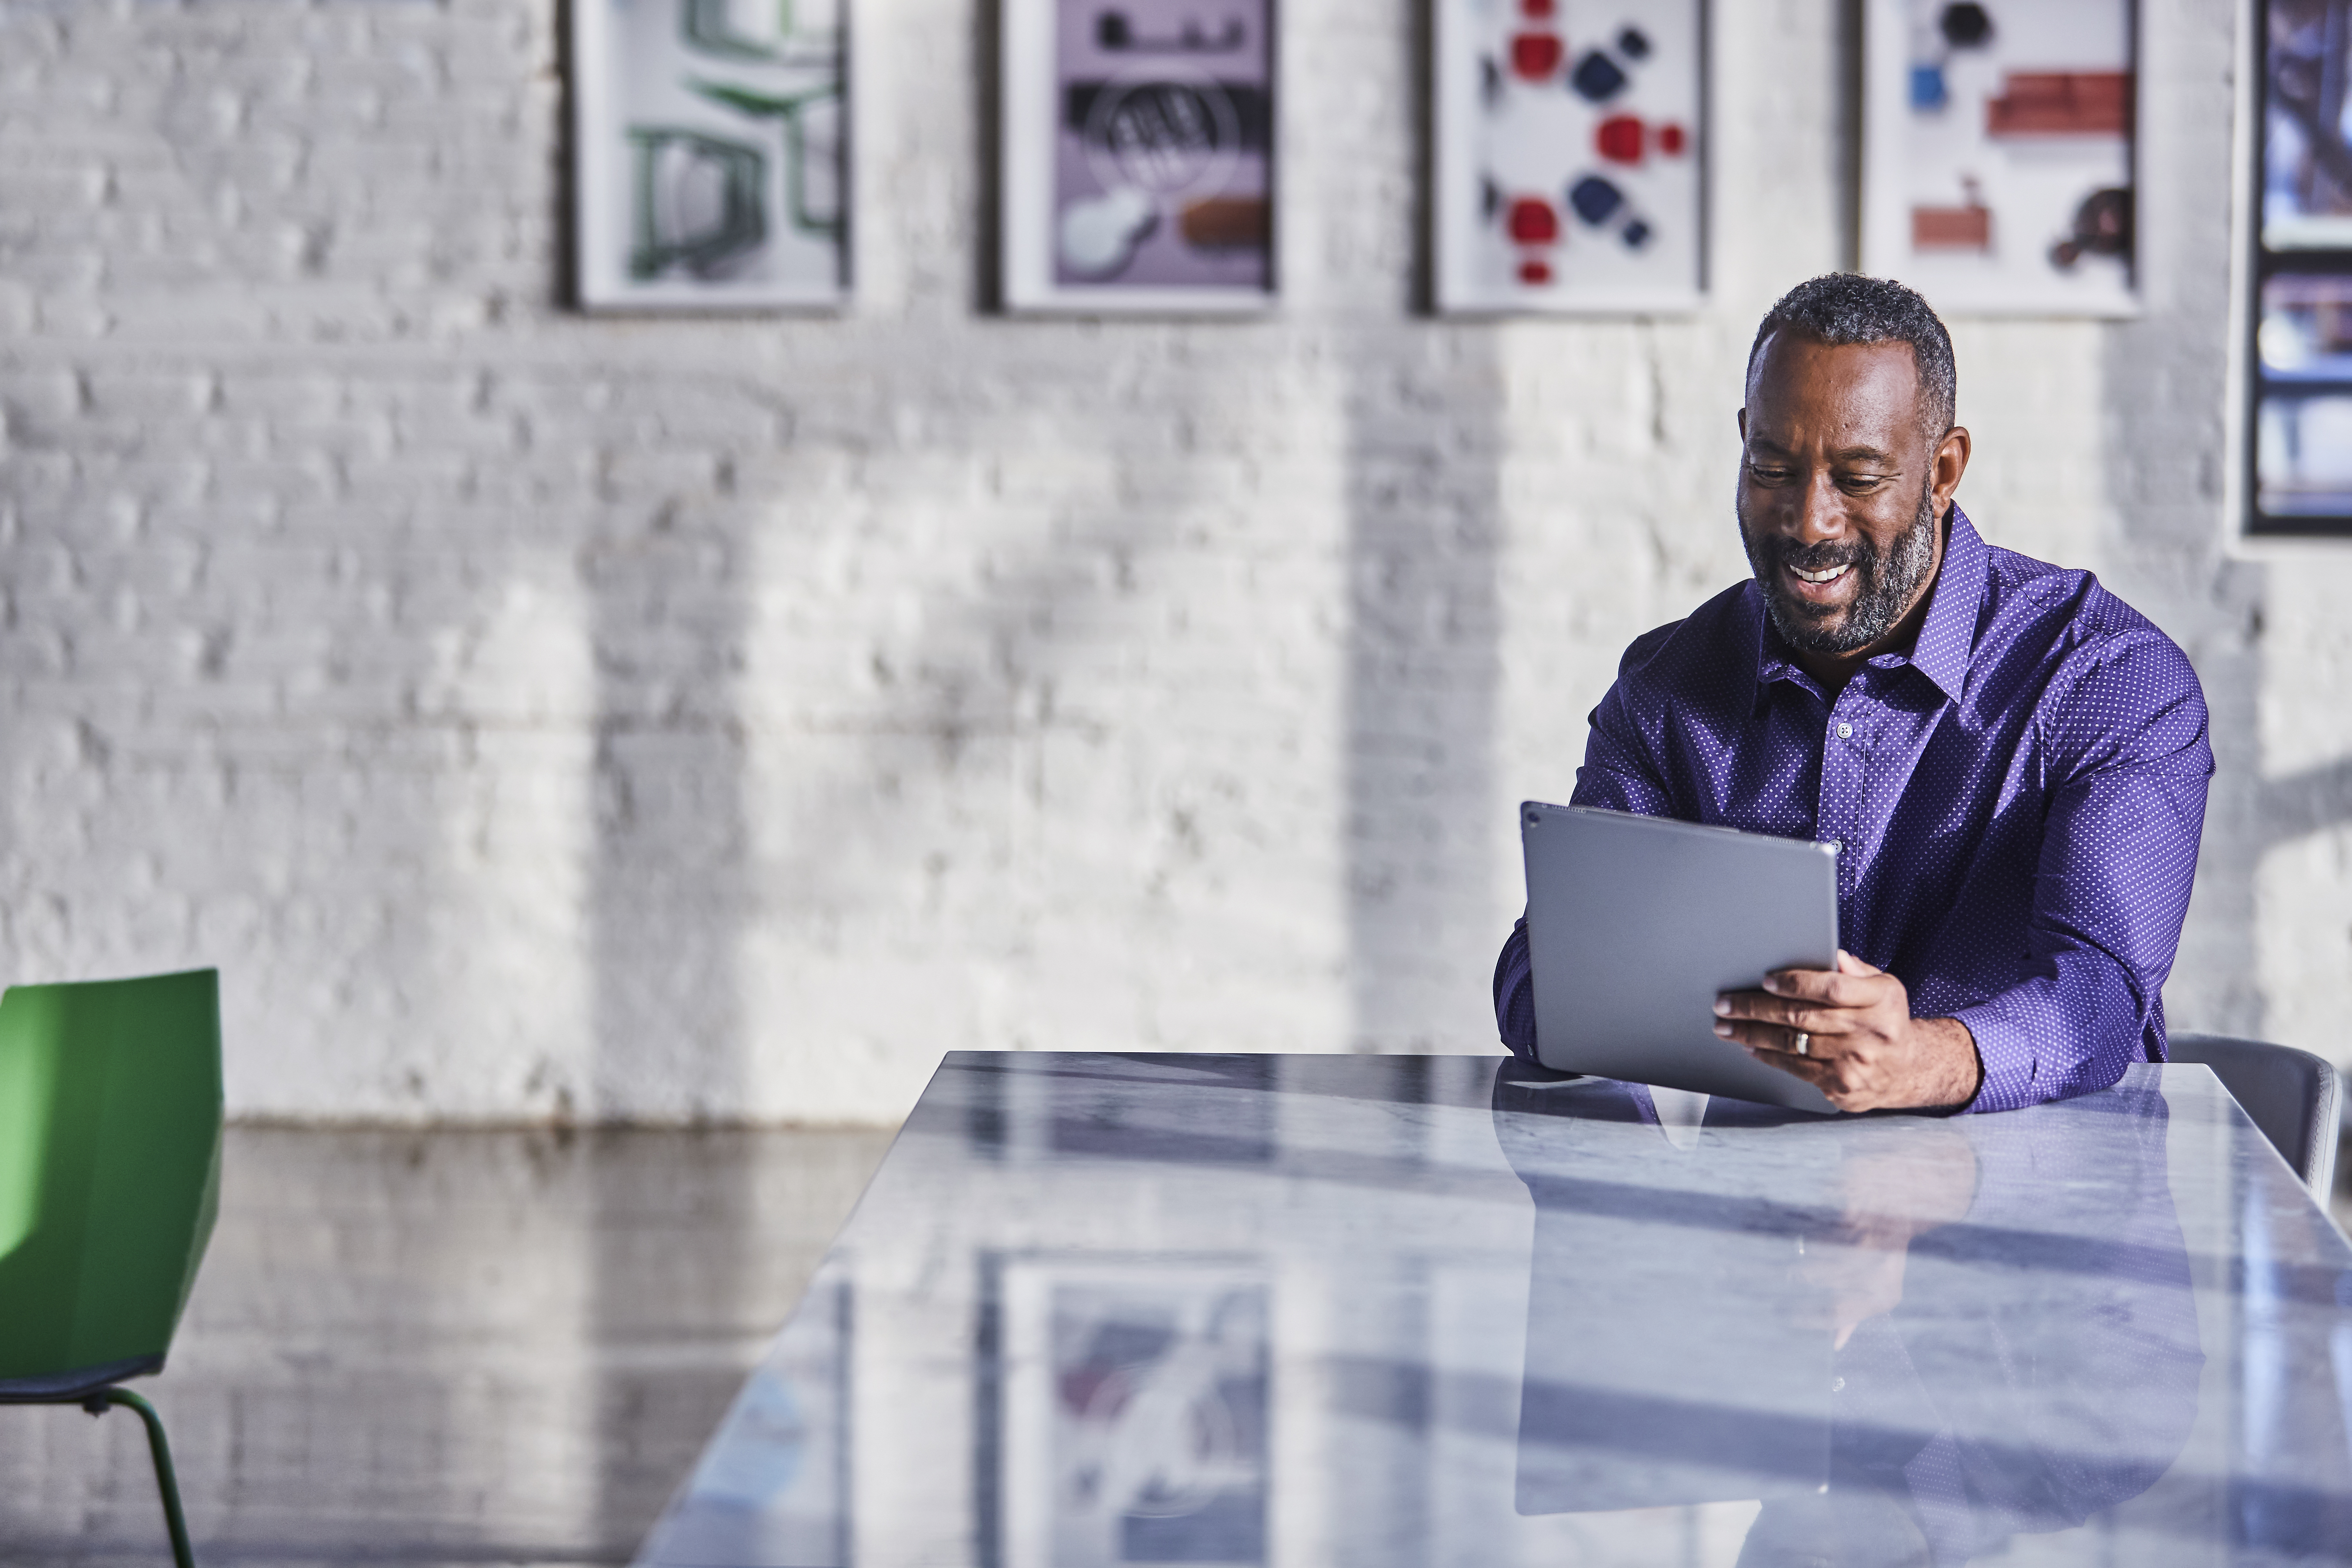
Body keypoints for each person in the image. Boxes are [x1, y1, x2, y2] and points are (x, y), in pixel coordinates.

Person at [1491, 274, 2212, 1114]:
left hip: (2047, 1200)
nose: (1810, 523)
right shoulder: (1665, 690)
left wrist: (1929, 1059)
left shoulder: (2108, 678)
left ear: (1943, 471)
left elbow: (2100, 997)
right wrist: (1609, 991)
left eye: (1859, 476)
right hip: (1751, 1212)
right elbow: (1545, 975)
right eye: (1772, 468)